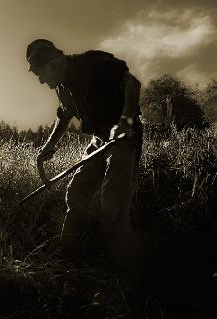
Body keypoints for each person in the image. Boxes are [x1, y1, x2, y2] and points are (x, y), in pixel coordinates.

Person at [27, 39, 143, 271]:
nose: (40, 80)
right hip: (98, 140)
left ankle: (129, 266)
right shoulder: (62, 88)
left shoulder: (93, 63)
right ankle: (66, 253)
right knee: (76, 194)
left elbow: (133, 83)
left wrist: (125, 121)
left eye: (40, 74)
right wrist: (48, 146)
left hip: (123, 137)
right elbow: (65, 116)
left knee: (112, 202)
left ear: (54, 63)